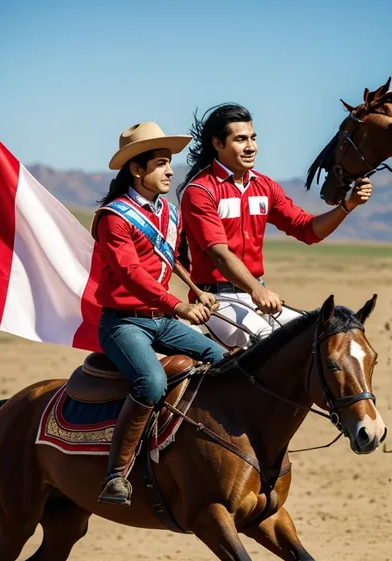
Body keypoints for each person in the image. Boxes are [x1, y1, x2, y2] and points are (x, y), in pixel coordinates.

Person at [92, 122, 226, 507]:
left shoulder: (167, 210)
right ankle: (116, 475)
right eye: (162, 163)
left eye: (171, 163)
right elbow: (130, 274)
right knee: (150, 384)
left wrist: (196, 289)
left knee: (222, 362)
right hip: (123, 322)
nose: (171, 171)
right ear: (137, 170)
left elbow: (172, 257)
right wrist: (180, 306)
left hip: (162, 319)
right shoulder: (114, 217)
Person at [178, 104, 373, 348]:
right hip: (216, 300)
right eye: (240, 139)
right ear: (218, 144)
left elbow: (308, 230)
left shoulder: (265, 186)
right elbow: (220, 254)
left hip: (257, 295)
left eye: (253, 138)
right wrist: (255, 291)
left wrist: (349, 205)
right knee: (268, 346)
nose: (251, 146)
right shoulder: (200, 191)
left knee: (321, 337)